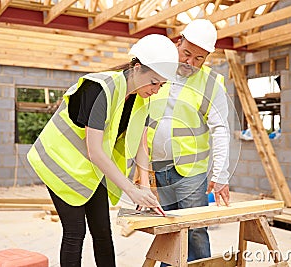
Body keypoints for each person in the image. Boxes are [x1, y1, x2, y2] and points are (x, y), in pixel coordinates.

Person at [27, 34, 179, 267]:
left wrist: (145, 190)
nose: (157, 90)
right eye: (154, 82)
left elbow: (140, 144)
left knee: (102, 233)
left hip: (91, 170)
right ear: (137, 68)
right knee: (75, 233)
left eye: (162, 85)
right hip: (61, 164)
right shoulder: (100, 89)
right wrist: (130, 190)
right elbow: (95, 151)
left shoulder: (140, 99)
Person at [146, 19, 231, 264]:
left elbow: (220, 130)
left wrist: (221, 173)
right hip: (158, 167)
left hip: (191, 172)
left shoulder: (211, 83)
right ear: (178, 42)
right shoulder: (157, 70)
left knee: (195, 231)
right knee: (167, 231)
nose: (190, 63)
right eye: (186, 54)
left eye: (199, 59)